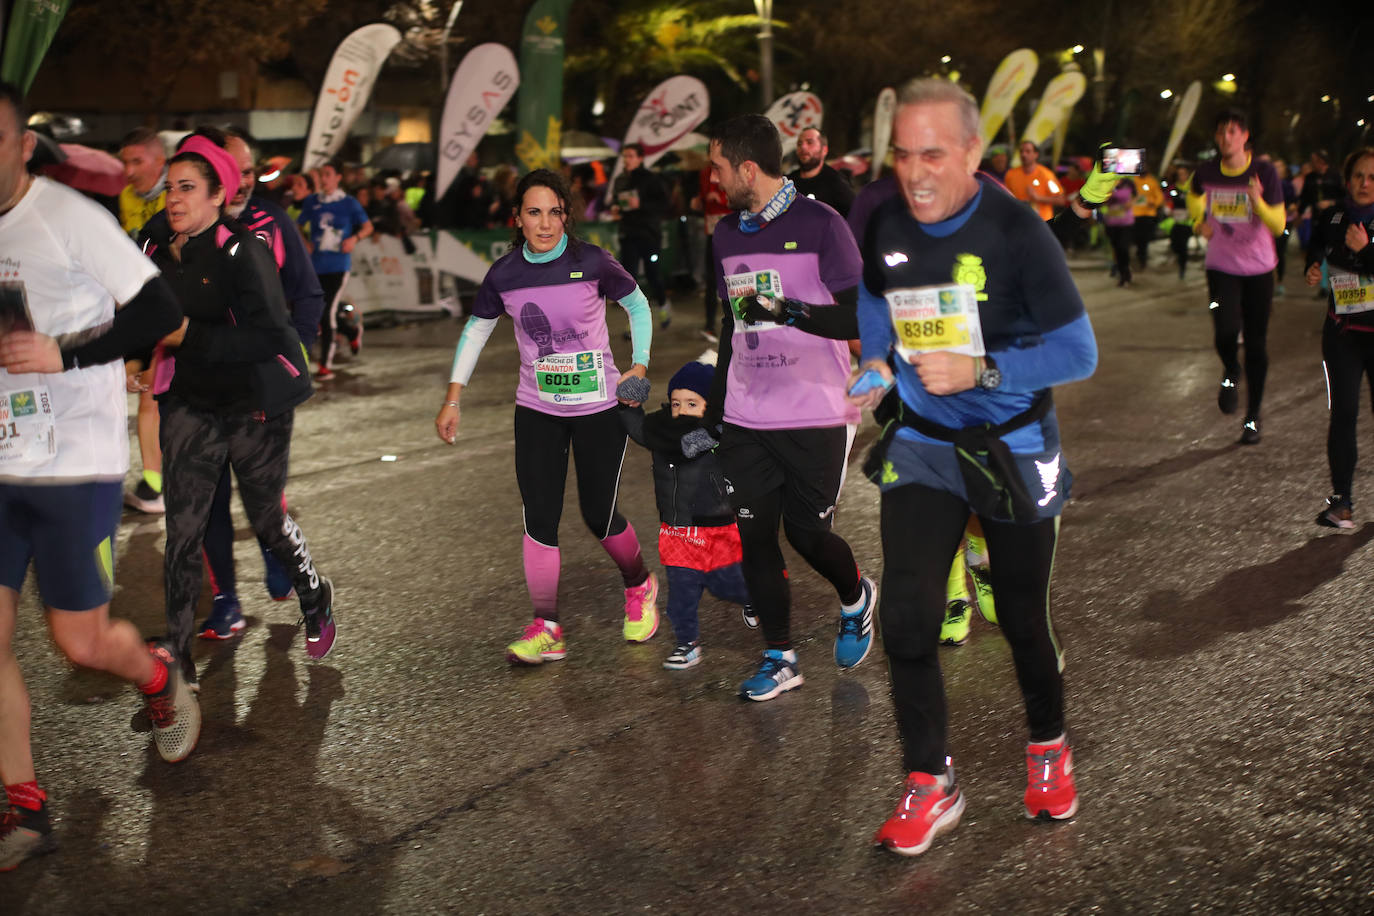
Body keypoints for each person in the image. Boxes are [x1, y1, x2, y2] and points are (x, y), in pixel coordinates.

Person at [850, 78, 1097, 856]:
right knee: (907, 615)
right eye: (901, 155)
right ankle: (931, 781)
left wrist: (982, 370)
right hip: (925, 441)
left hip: (1010, 444)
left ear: (971, 151)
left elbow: (1079, 352)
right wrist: (877, 357)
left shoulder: (1018, 232)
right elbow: (873, 293)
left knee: (1021, 617)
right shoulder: (888, 219)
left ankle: (1049, 746)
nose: (913, 173)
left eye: (932, 155)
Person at [0, 81, 199, 872]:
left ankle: (157, 674)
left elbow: (161, 313)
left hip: (74, 464)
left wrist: (64, 352)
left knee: (78, 642)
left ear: (23, 147)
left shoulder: (69, 217)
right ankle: (25, 806)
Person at [434, 168, 659, 663]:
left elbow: (638, 306)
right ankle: (547, 627)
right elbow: (476, 330)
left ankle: (639, 583)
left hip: (599, 408)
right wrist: (453, 398)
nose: (545, 223)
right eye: (534, 213)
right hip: (537, 409)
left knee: (598, 514)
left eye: (554, 212)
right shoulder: (504, 274)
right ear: (517, 219)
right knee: (539, 516)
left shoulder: (592, 261)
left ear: (566, 216)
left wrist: (638, 365)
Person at [146, 134, 336, 685]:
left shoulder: (248, 244)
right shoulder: (154, 241)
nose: (173, 198)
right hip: (192, 400)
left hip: (256, 401)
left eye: (187, 188)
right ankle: (178, 663)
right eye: (170, 187)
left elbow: (274, 332)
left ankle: (313, 592)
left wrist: (190, 336)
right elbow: (138, 307)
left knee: (266, 519)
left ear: (216, 194)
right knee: (183, 530)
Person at [705, 114, 877, 701]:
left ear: (748, 168)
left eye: (720, 168)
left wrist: (792, 311)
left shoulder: (822, 223)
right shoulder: (724, 234)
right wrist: (717, 403)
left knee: (807, 535)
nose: (715, 179)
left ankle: (855, 596)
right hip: (748, 412)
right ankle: (780, 656)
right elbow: (731, 324)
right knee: (755, 536)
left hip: (816, 409)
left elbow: (859, 315)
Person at [618, 360, 753, 669]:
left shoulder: (719, 433)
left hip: (716, 529)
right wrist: (628, 404)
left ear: (711, 406)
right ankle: (686, 643)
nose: (681, 411)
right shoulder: (660, 432)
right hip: (677, 531)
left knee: (727, 584)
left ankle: (756, 597)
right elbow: (638, 427)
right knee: (681, 595)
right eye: (676, 403)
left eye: (692, 403)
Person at [1187, 109, 1285, 444]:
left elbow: (1279, 225)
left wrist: (1258, 202)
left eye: (1232, 131)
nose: (1226, 138)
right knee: (1225, 332)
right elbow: (1193, 195)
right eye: (1221, 132)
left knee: (1256, 344)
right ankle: (1231, 368)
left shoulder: (1264, 172)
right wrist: (1198, 222)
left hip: (1259, 269)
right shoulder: (1206, 171)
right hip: (1221, 267)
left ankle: (1253, 418)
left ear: (1245, 136)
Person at [1306, 147, 1374, 528]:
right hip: (1342, 333)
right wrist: (1312, 266)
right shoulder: (1333, 217)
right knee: (1343, 414)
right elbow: (1316, 245)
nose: (1365, 183)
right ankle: (1342, 501)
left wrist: (1367, 250)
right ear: (1347, 181)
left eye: (1373, 177)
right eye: (1359, 176)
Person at [118, 128, 172, 515]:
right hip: (144, 305)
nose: (129, 170)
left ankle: (169, 480)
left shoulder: (177, 193)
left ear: (160, 161)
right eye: (125, 162)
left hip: (181, 307)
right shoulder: (125, 197)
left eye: (137, 161)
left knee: (161, 396)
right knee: (147, 392)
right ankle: (154, 482)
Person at [297, 157, 372, 379]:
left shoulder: (349, 203)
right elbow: (297, 225)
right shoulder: (312, 202)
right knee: (317, 311)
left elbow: (368, 227)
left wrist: (354, 239)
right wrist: (305, 241)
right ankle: (351, 330)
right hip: (316, 265)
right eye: (321, 175)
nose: (324, 179)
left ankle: (325, 365)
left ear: (338, 177)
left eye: (328, 174)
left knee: (327, 311)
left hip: (339, 265)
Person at [610, 143, 671, 327]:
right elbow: (616, 201)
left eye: (630, 156)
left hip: (649, 234)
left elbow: (663, 204)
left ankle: (663, 304)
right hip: (628, 233)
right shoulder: (620, 180)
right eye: (624, 156)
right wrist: (615, 208)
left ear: (640, 158)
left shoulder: (651, 179)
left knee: (653, 274)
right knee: (630, 278)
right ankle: (634, 321)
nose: (626, 160)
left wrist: (641, 204)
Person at [788, 126, 855, 217]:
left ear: (824, 150)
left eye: (810, 142)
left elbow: (855, 216)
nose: (803, 147)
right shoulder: (789, 182)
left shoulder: (836, 182)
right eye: (799, 144)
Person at [1003, 139, 1063, 221]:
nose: (1023, 154)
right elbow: (1005, 197)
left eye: (1028, 151)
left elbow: (1060, 200)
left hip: (1042, 222)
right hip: (1018, 221)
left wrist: (1038, 198)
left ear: (1036, 154)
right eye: (1021, 151)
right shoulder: (1010, 175)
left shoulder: (1046, 175)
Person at [1103, 178, 1137, 286]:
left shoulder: (1128, 182)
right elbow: (1101, 200)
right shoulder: (1107, 181)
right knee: (1117, 249)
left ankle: (1126, 270)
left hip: (1126, 223)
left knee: (1123, 248)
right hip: (1111, 222)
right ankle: (1123, 274)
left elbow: (1137, 196)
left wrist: (1131, 202)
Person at [1130, 165, 1165, 269]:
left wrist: (1154, 203)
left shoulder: (1152, 181)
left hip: (1148, 214)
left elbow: (1159, 196)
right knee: (1136, 236)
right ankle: (1139, 253)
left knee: (1144, 237)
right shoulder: (1132, 181)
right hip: (1135, 213)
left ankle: (1142, 257)